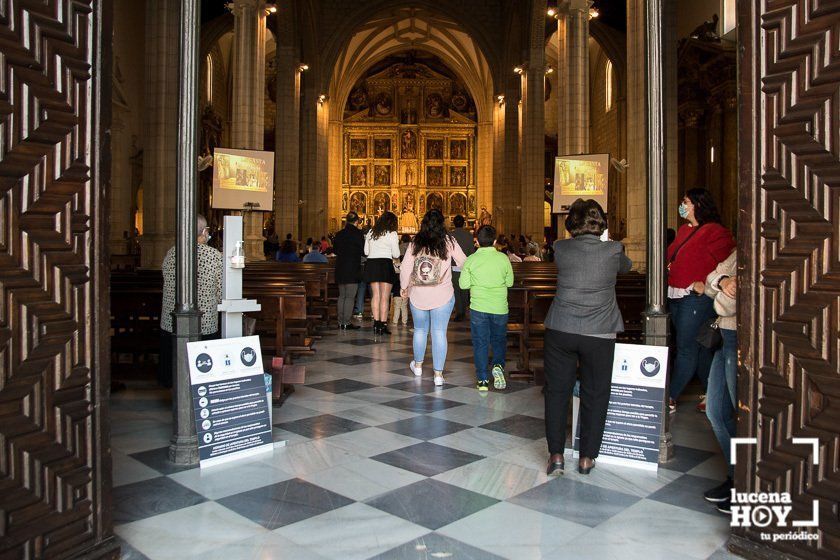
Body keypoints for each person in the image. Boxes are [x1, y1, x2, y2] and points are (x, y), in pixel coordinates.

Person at [542, 199, 632, 476]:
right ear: (600, 222)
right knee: (596, 393)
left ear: (572, 223)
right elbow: (625, 268)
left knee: (557, 392)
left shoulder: (560, 247)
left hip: (561, 329)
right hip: (599, 332)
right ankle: (587, 458)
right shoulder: (614, 249)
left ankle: (556, 454)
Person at [666, 188, 735, 412]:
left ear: (698, 204)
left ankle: (669, 397)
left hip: (696, 297)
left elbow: (727, 263)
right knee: (700, 348)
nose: (682, 205)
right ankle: (711, 394)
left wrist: (706, 284)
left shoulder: (716, 231)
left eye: (685, 201)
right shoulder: (684, 230)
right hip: (676, 294)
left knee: (686, 349)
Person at [400, 209, 467, 386]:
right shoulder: (448, 241)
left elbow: (406, 266)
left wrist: (403, 287)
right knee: (439, 333)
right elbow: (463, 262)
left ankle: (419, 366)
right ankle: (438, 375)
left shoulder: (416, 241)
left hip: (418, 294)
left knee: (420, 331)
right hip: (442, 294)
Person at [159, 215, 222, 387]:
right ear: (203, 232)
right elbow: (220, 291)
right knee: (202, 366)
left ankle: (177, 391)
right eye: (207, 230)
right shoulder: (213, 255)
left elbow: (165, 278)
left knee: (177, 363)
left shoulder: (172, 253)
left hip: (172, 319)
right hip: (203, 320)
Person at [702, 249, 737, 514]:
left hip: (740, 336)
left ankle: (745, 484)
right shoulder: (740, 251)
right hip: (724, 335)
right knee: (715, 411)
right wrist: (723, 282)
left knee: (740, 411)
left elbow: (730, 303)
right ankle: (736, 477)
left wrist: (719, 287)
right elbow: (711, 278)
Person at [459, 225, 513, 391]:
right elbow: (510, 282)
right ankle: (498, 366)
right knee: (499, 340)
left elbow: (463, 284)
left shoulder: (471, 260)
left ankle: (482, 379)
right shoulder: (503, 258)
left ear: (477, 241)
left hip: (479, 307)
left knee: (480, 343)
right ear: (495, 241)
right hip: (499, 307)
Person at [364, 211, 400, 335]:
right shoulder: (392, 233)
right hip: (385, 264)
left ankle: (376, 324)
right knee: (385, 297)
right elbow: (396, 254)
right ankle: (383, 325)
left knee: (376, 295)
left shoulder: (370, 232)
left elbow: (366, 251)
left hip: (372, 264)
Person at [332, 212, 364, 330]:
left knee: (342, 296)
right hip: (352, 268)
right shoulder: (358, 234)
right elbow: (363, 251)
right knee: (350, 297)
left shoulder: (339, 234)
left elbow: (335, 250)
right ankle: (346, 322)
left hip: (341, 267)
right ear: (356, 221)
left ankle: (340, 321)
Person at [450, 215, 475, 322]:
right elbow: (471, 252)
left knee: (456, 290)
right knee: (464, 290)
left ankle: (459, 311)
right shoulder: (469, 235)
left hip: (454, 266)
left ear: (454, 223)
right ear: (464, 223)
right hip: (466, 266)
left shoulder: (450, 235)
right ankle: (463, 310)